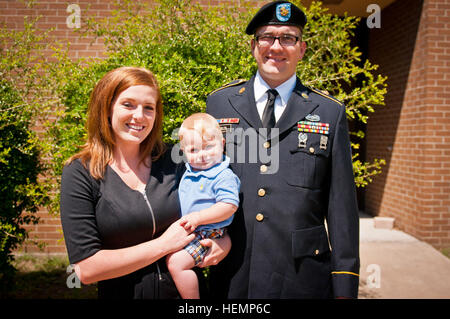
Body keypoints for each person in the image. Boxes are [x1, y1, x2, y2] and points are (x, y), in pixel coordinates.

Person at [206, 1, 360, 298]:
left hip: (301, 276)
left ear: (301, 49)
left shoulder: (329, 112)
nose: (276, 46)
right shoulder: (220, 103)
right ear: (254, 46)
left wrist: (344, 283)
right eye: (267, 37)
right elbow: (201, 179)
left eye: (288, 38)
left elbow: (341, 207)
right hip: (234, 270)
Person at [60, 66, 231, 299]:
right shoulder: (81, 173)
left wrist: (224, 240)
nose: (139, 115)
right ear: (107, 108)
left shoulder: (176, 160)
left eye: (148, 108)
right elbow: (85, 269)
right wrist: (164, 245)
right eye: (128, 104)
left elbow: (215, 199)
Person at [166, 113, 240, 299]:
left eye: (208, 147)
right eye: (193, 150)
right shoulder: (188, 171)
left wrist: (199, 218)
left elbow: (229, 205)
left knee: (176, 263)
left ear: (222, 144)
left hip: (208, 232)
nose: (202, 155)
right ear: (183, 152)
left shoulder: (223, 175)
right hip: (192, 230)